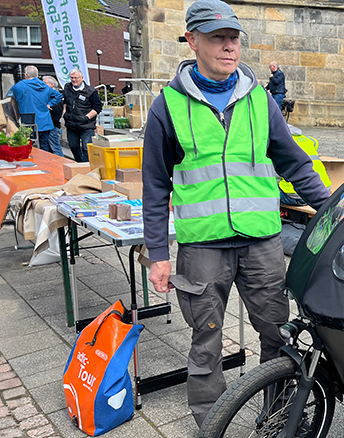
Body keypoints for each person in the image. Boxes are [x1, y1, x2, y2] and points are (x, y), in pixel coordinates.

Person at [141, 0, 330, 427]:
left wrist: (334, 210)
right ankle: (211, 423)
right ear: (192, 40)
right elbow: (155, 184)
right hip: (202, 246)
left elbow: (296, 163)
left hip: (261, 242)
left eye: (234, 38)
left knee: (277, 334)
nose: (229, 47)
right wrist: (157, 252)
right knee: (206, 337)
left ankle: (282, 416)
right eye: (216, 38)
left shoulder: (260, 101)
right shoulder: (167, 107)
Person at [7, 66, 63, 156]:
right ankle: (47, 166)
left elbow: (8, 98)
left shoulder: (20, 86)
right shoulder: (44, 85)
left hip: (29, 121)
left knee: (27, 148)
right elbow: (59, 96)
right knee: (45, 148)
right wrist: (49, 104)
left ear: (25, 75)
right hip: (45, 122)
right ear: (37, 75)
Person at [62, 68, 103, 162]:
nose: (73, 80)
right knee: (73, 146)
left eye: (76, 78)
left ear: (82, 78)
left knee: (86, 147)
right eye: (72, 78)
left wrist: (86, 117)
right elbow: (65, 101)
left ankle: (86, 165)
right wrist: (64, 113)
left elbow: (98, 107)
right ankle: (80, 163)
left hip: (86, 125)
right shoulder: (67, 88)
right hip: (71, 124)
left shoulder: (90, 91)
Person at [42, 76, 64, 143]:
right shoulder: (47, 95)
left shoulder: (56, 97)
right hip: (48, 125)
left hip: (52, 126)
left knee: (55, 147)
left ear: (52, 84)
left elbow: (57, 112)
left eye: (45, 83)